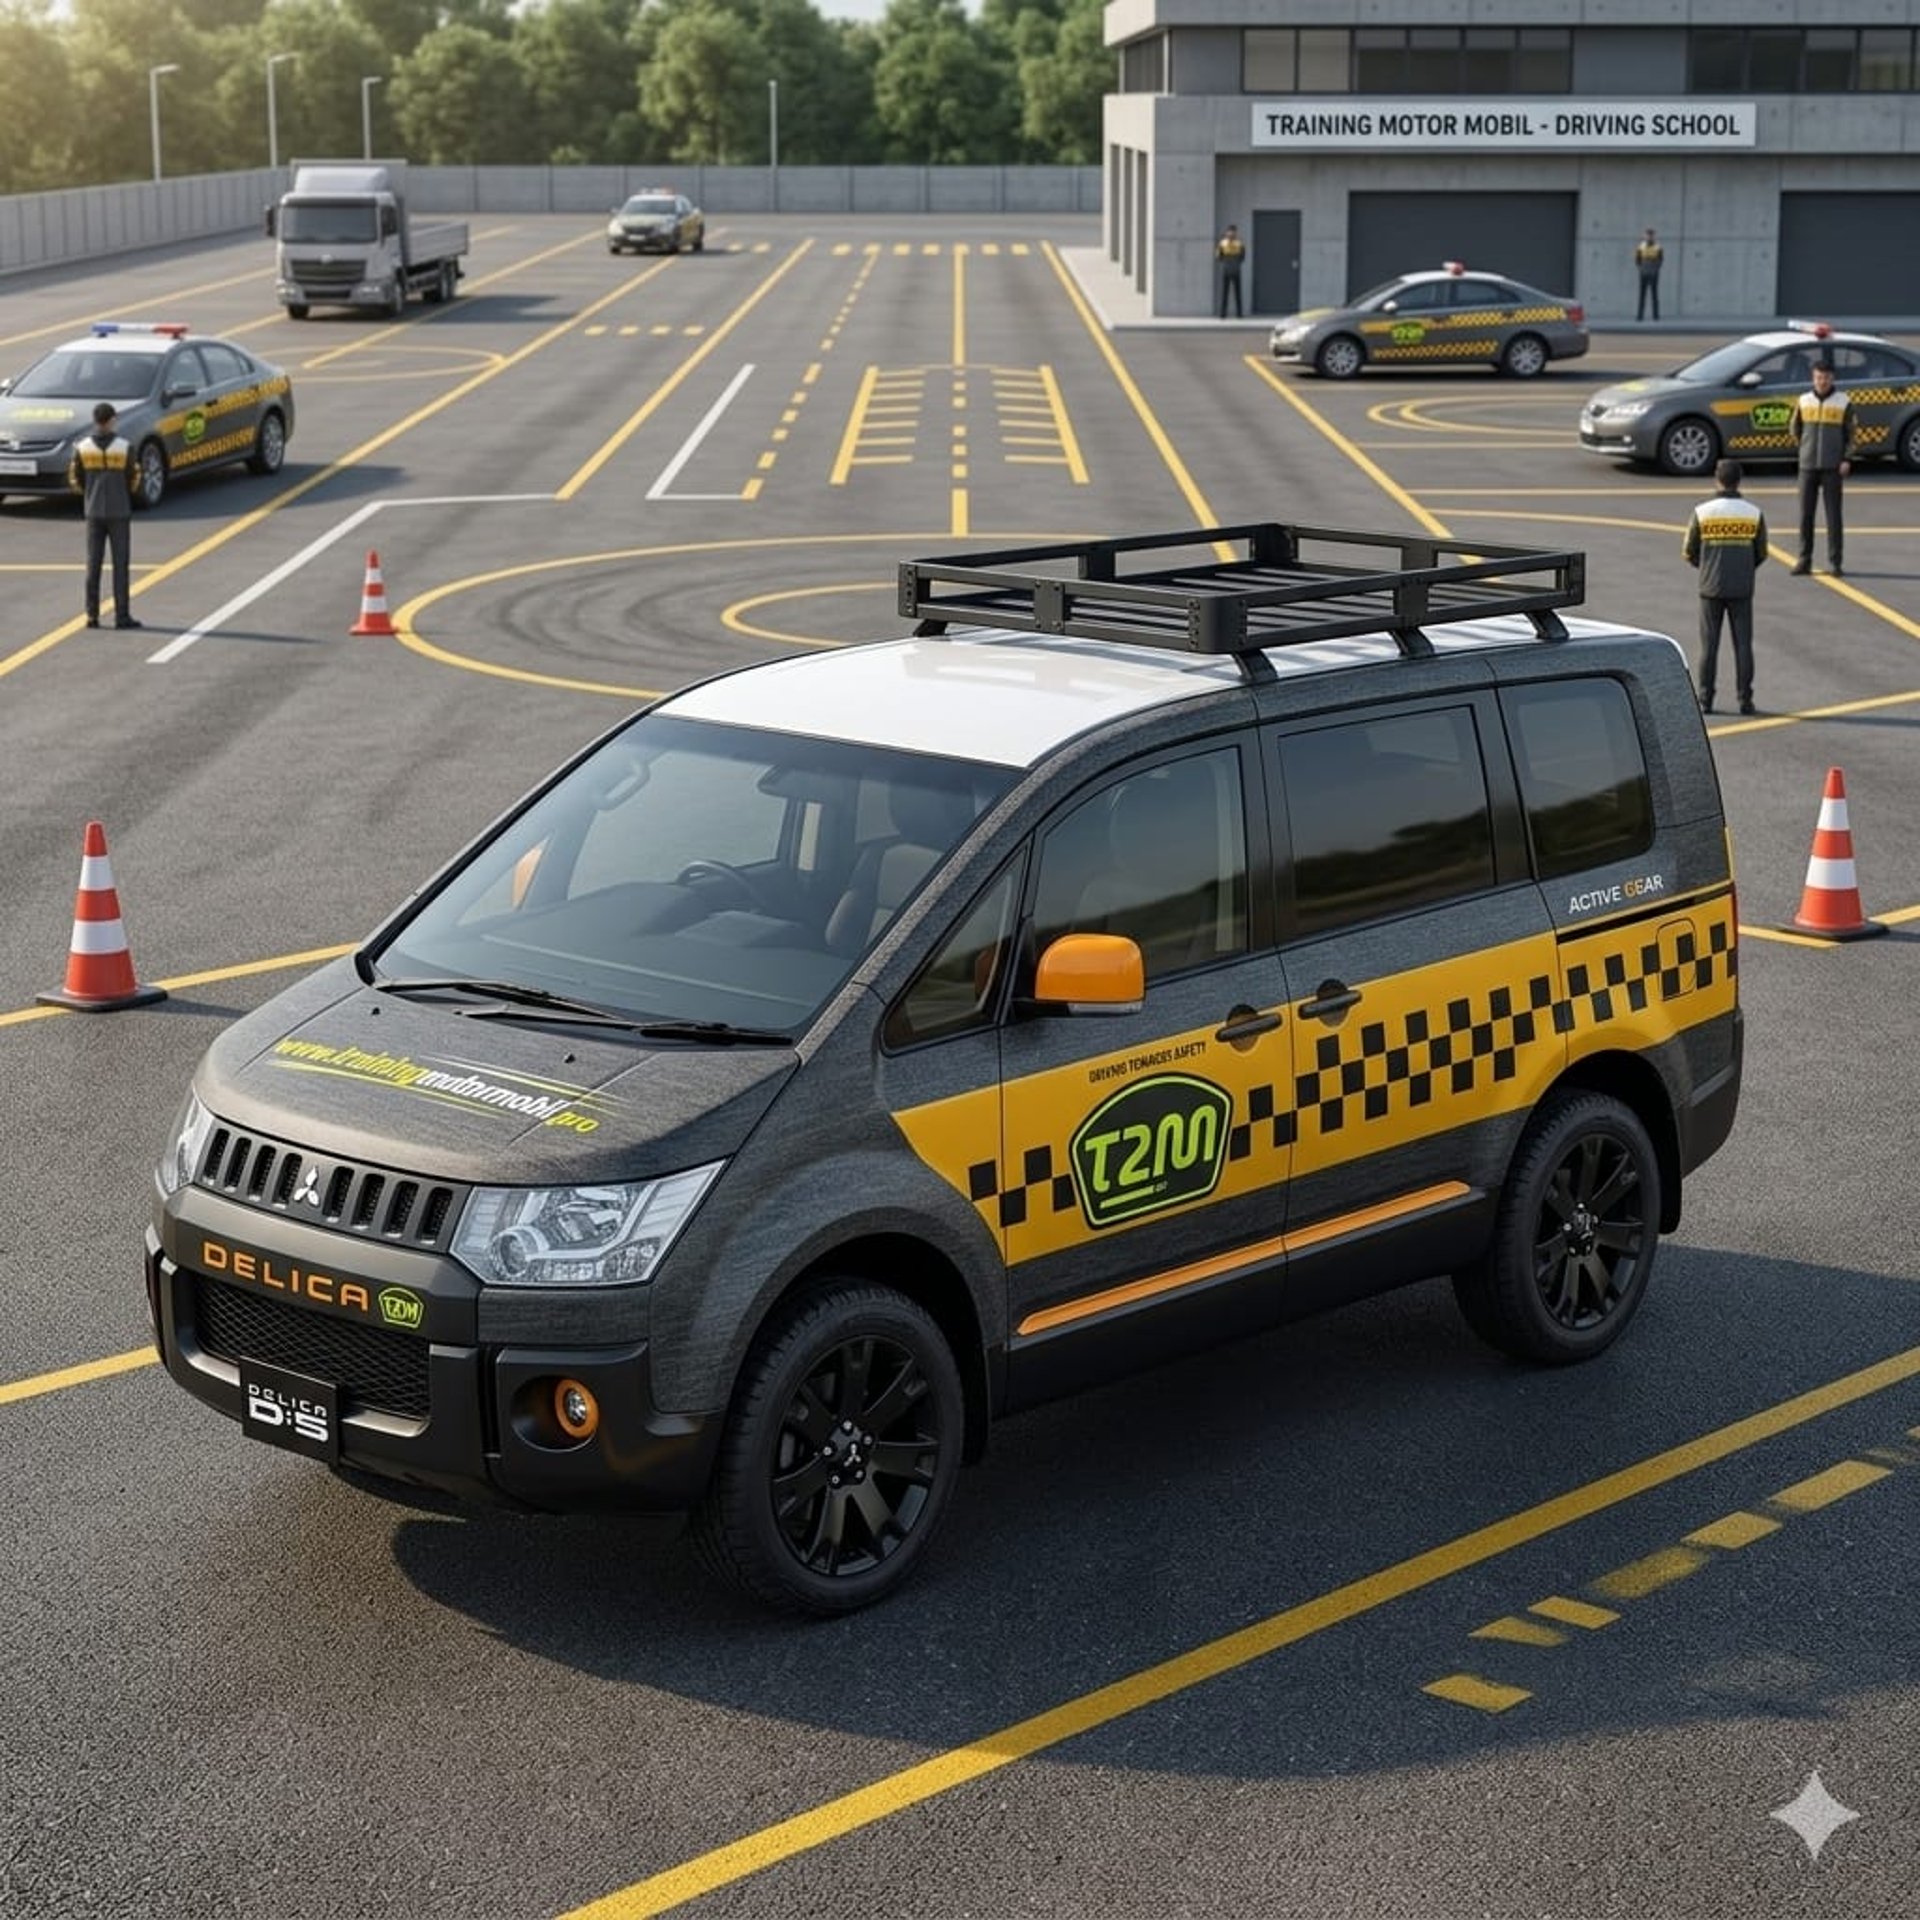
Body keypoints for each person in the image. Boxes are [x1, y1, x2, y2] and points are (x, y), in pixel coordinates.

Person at [1683, 458, 1767, 716]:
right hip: (1742, 587)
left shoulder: (1702, 512)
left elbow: (1688, 551)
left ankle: (1705, 699)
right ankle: (1745, 700)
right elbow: (1761, 552)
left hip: (1710, 587)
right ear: (1739, 480)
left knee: (1709, 646)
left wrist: (1707, 566)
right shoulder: (1753, 514)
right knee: (1743, 645)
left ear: (1717, 479)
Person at [66, 401, 142, 630]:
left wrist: (89, 495)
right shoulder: (124, 447)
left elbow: (74, 478)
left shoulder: (83, 448)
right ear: (110, 421)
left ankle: (92, 615)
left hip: (93, 513)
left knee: (93, 564)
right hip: (119, 512)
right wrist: (124, 494)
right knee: (121, 566)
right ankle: (122, 616)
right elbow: (135, 477)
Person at [1790, 361, 1853, 576]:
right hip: (1807, 466)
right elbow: (1795, 428)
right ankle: (1804, 559)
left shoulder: (1843, 402)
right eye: (1818, 377)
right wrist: (1805, 449)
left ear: (1832, 378)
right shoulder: (1803, 401)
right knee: (1805, 515)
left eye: (1825, 377)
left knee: (1833, 516)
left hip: (1833, 467)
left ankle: (1836, 562)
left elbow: (1852, 435)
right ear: (1813, 378)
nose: (1822, 381)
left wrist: (1846, 458)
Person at [1215, 225, 1246, 319]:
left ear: (1236, 232)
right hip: (1226, 270)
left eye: (1233, 231)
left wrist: (1235, 262)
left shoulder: (1240, 243)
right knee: (1225, 293)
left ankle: (1239, 314)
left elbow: (1242, 256)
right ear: (1227, 232)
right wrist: (1226, 261)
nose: (1231, 233)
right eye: (1230, 231)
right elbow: (1218, 256)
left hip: (1236, 270)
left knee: (1238, 293)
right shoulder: (1222, 243)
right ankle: (1223, 314)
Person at [1634, 228, 1663, 321]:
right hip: (1643, 273)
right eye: (1647, 235)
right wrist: (1641, 269)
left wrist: (1655, 270)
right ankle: (1640, 316)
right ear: (1645, 236)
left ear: (1654, 236)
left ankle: (1656, 316)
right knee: (1642, 295)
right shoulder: (1640, 246)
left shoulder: (1658, 247)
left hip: (1654, 273)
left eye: (1651, 235)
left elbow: (1660, 260)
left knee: (1654, 295)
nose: (1649, 237)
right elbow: (1637, 259)